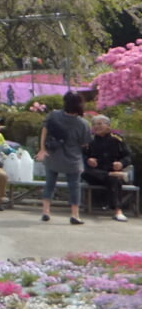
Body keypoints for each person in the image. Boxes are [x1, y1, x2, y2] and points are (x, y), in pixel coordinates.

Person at [37, 91, 93, 224]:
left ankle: (46, 211)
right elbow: (84, 143)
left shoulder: (54, 115)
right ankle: (75, 214)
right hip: (73, 159)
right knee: (74, 186)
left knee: (50, 184)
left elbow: (44, 130)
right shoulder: (83, 123)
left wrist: (43, 149)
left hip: (53, 155)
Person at [82, 114, 132, 222]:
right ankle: (112, 175)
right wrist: (88, 160)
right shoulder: (90, 141)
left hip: (111, 172)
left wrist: (121, 163)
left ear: (108, 126)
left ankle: (118, 211)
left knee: (114, 180)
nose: (96, 127)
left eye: (100, 124)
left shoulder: (117, 139)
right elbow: (83, 156)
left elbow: (128, 156)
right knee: (84, 172)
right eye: (94, 124)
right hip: (95, 174)